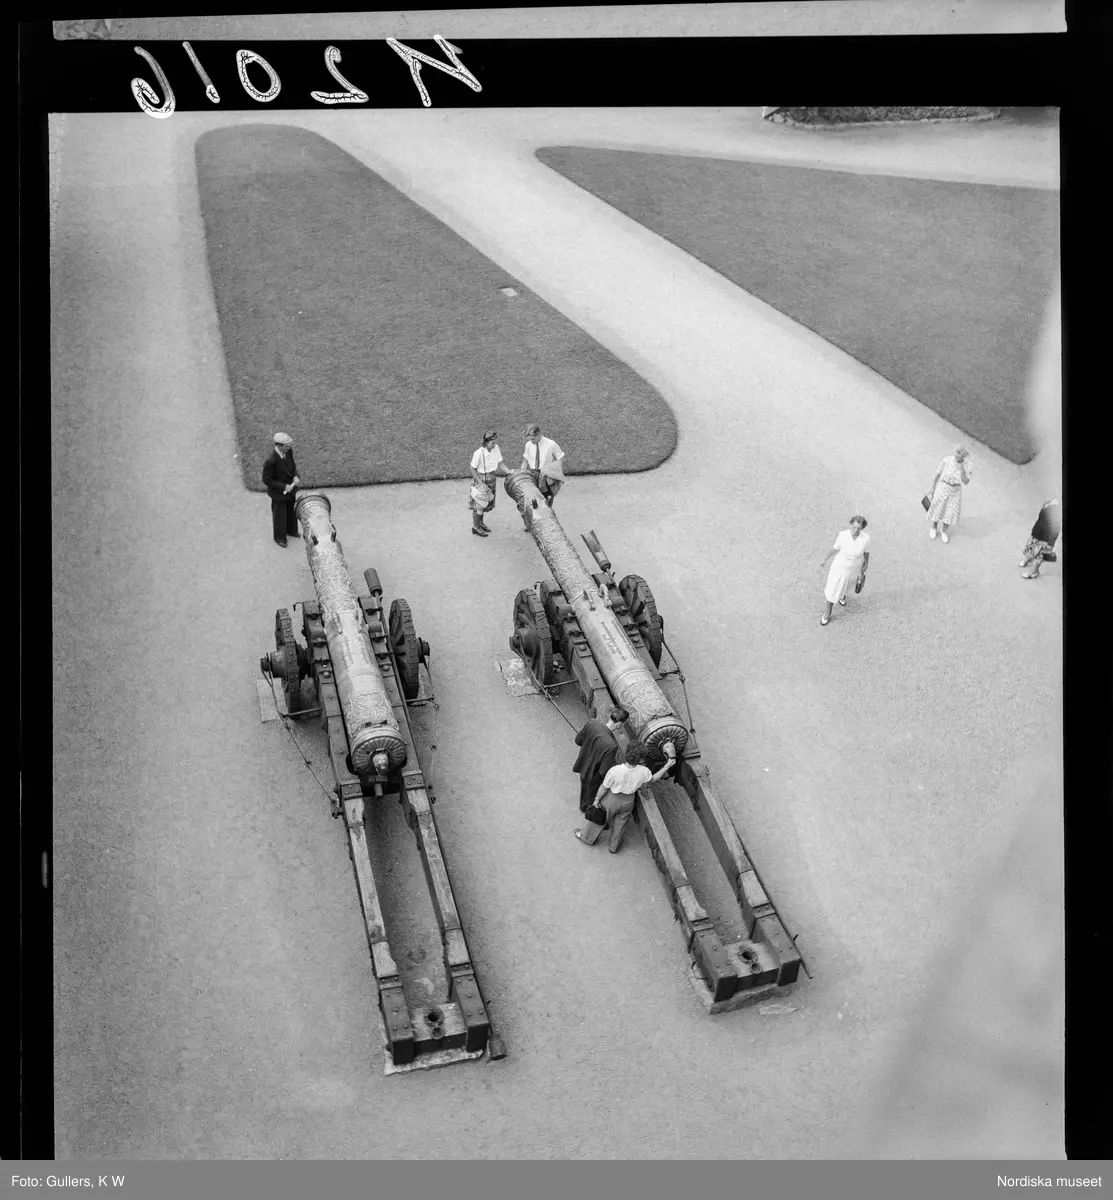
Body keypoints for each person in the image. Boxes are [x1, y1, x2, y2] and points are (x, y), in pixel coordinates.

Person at [574, 741, 676, 854]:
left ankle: (586, 837)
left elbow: (604, 787)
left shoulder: (615, 771)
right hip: (628, 801)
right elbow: (653, 779)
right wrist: (666, 766)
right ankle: (613, 847)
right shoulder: (644, 771)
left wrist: (597, 800)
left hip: (612, 799)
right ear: (640, 759)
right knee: (620, 824)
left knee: (599, 817)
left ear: (627, 753)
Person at [571, 706, 629, 815]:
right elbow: (604, 771)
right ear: (619, 724)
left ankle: (583, 806)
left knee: (584, 789)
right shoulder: (612, 745)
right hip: (593, 776)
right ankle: (588, 812)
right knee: (591, 797)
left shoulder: (592, 723)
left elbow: (578, 740)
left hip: (582, 766)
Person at [819, 515, 870, 626]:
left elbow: (866, 553)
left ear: (862, 528)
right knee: (833, 590)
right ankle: (827, 613)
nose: (855, 530)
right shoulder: (843, 535)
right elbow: (835, 548)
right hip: (840, 567)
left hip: (854, 568)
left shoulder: (865, 538)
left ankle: (842, 596)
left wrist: (866, 564)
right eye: (854, 527)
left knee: (848, 585)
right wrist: (825, 559)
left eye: (859, 529)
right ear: (851, 525)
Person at [469, 429, 511, 537]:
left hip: (491, 478)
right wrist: (481, 483)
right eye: (493, 443)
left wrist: (509, 472)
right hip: (481, 480)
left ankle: (480, 523)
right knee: (478, 505)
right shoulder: (478, 453)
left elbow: (501, 463)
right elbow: (472, 468)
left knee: (484, 504)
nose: (495, 445)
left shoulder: (496, 449)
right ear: (486, 442)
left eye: (495, 442)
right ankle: (476, 527)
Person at [262, 432, 301, 547]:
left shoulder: (288, 452)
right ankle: (279, 537)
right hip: (278, 493)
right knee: (280, 516)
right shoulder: (270, 461)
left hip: (290, 490)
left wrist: (295, 476)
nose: (288, 448)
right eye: (286, 446)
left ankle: (291, 530)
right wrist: (283, 487)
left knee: (291, 511)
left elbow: (292, 466)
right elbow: (266, 479)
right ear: (278, 445)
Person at [927, 446, 972, 542]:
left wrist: (962, 470)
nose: (957, 454)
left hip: (955, 491)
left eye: (960, 453)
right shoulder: (947, 460)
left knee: (951, 512)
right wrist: (933, 487)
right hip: (943, 487)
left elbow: (966, 482)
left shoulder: (967, 465)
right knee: (938, 508)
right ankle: (933, 527)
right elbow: (938, 473)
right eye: (956, 451)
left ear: (964, 455)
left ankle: (943, 531)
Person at [521, 423, 566, 508]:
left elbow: (560, 459)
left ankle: (547, 510)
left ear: (539, 434)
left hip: (547, 476)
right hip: (533, 474)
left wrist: (555, 473)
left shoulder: (551, 444)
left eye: (533, 438)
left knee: (547, 498)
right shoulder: (528, 445)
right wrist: (522, 473)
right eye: (529, 439)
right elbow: (525, 461)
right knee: (532, 498)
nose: (531, 441)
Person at [1019, 498, 1061, 579]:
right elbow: (1040, 518)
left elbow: (1056, 530)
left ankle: (1034, 571)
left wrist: (1050, 544)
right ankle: (1028, 559)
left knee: (1040, 555)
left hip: (1045, 538)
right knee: (1031, 547)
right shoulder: (1048, 504)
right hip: (1037, 532)